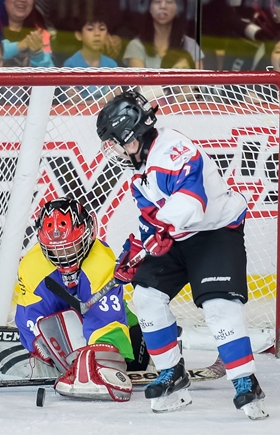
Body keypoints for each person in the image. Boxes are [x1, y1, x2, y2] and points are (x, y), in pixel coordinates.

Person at [95, 90, 267, 419]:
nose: (115, 149)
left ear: (132, 136)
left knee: (218, 304)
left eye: (117, 141)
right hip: (174, 236)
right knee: (145, 296)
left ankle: (246, 381)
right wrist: (137, 250)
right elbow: (151, 218)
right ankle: (172, 373)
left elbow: (192, 201)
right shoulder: (138, 169)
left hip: (214, 233)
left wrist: (161, 228)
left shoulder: (174, 150)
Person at [0, 198, 149, 400]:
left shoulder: (101, 261)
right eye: (56, 250)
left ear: (88, 235)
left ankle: (139, 345)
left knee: (131, 358)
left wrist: (101, 362)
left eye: (71, 247)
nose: (63, 256)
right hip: (67, 331)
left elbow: (106, 323)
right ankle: (70, 362)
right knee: (54, 326)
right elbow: (28, 316)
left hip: (123, 334)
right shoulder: (33, 266)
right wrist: (38, 344)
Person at [123, 0, 203, 68]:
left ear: (177, 8)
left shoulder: (191, 46)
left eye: (169, 2)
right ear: (150, 8)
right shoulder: (136, 46)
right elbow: (140, 81)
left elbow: (198, 80)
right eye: (157, 1)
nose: (163, 6)